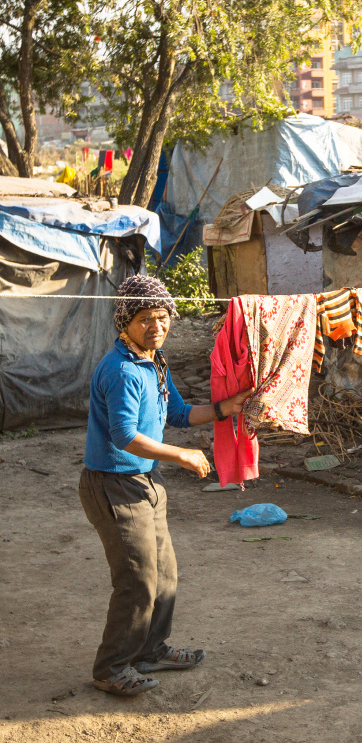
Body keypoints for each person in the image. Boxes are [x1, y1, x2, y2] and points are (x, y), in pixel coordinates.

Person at [79, 275, 251, 696]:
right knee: (137, 579)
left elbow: (177, 413)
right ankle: (112, 666)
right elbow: (124, 435)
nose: (156, 327)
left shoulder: (154, 361)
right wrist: (183, 455)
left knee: (165, 576)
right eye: (145, 319)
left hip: (144, 483)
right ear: (125, 323)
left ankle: (150, 649)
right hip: (114, 486)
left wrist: (224, 409)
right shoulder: (121, 370)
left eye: (162, 317)